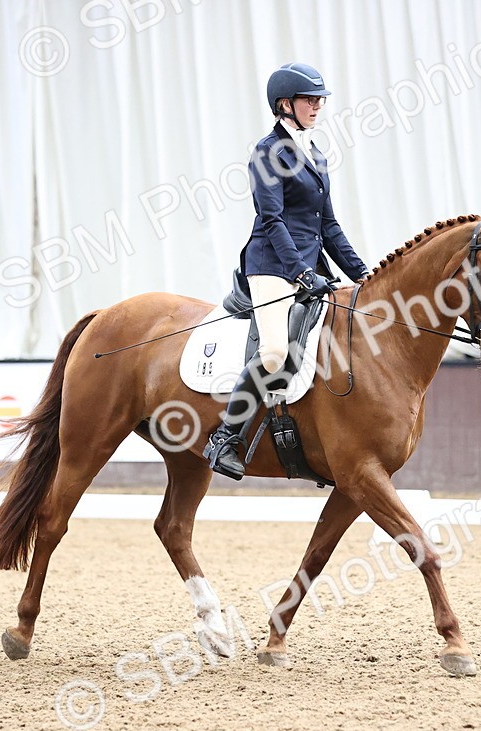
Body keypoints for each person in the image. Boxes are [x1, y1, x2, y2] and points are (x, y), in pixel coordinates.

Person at [204, 62, 370, 480]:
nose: (318, 106)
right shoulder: (268, 151)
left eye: (320, 100)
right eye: (309, 100)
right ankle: (226, 436)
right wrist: (299, 271)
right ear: (285, 104)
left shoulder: (316, 153)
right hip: (271, 266)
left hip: (308, 268)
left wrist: (364, 274)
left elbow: (328, 225)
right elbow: (272, 218)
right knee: (276, 353)